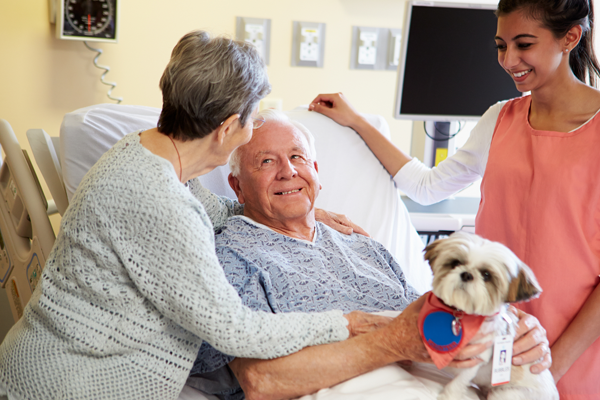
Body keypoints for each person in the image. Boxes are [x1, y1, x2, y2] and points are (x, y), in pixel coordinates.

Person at [0, 31, 381, 400]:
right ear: (228, 128)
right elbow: (233, 330)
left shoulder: (155, 159)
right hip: (65, 384)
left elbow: (216, 209)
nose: (250, 134)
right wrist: (347, 322)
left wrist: (291, 207)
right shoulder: (160, 201)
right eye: (250, 125)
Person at [308, 0, 600, 398]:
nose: (509, 59)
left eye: (524, 44)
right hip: (485, 343)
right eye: (501, 45)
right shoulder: (499, 119)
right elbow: (427, 187)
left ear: (570, 37)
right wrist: (359, 122)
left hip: (573, 350)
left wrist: (550, 364)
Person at [187, 110, 552, 400]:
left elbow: (434, 318)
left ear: (316, 171)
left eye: (298, 157)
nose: (288, 172)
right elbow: (260, 380)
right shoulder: (231, 253)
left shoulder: (365, 245)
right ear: (237, 186)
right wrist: (391, 342)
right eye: (266, 162)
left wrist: (511, 328)